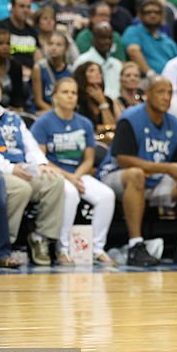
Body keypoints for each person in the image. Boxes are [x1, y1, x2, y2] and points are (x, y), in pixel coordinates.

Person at [101, 77, 177, 266]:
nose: (166, 97)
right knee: (136, 174)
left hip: (155, 180)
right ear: (147, 95)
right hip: (117, 177)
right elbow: (123, 159)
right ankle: (135, 245)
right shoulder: (130, 118)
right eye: (161, 92)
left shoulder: (174, 123)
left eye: (169, 93)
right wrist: (167, 168)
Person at [31, 78, 116, 266]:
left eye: (74, 93)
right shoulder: (43, 123)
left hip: (78, 173)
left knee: (106, 196)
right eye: (65, 92)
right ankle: (63, 249)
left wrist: (76, 177)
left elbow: (89, 159)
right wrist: (69, 178)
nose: (70, 96)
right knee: (70, 194)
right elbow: (40, 160)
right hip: (54, 175)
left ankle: (97, 248)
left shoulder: (84, 123)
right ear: (55, 97)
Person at [0, 76, 65, 266]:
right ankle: (4, 245)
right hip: (2, 172)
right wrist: (11, 169)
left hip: (23, 168)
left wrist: (41, 165)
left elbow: (30, 145)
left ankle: (40, 238)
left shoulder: (13, 117)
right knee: (20, 188)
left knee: (55, 181)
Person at [123, 0, 177, 75]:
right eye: (148, 12)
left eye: (157, 12)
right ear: (140, 15)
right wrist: (150, 74)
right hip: (145, 79)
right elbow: (133, 52)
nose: (153, 15)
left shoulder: (168, 41)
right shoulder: (133, 31)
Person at [73, 22, 125, 101]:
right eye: (103, 38)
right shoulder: (82, 61)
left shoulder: (117, 64)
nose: (107, 42)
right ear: (94, 39)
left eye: (110, 38)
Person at [32, 32, 73, 112]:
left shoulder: (70, 71)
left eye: (58, 45)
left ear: (66, 48)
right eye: (50, 44)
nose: (54, 48)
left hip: (63, 109)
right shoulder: (39, 68)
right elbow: (38, 101)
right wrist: (55, 114)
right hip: (43, 109)